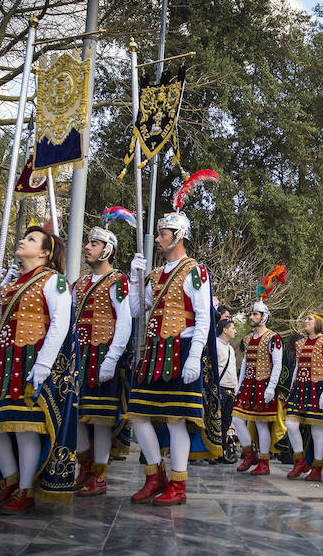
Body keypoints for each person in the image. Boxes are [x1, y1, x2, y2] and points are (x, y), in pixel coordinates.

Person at [0, 227, 77, 513]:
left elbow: (60, 323)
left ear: (45, 252)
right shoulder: (13, 282)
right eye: (24, 237)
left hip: (31, 359)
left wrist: (44, 363)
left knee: (25, 427)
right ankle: (9, 477)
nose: (22, 240)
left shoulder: (53, 280)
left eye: (31, 239)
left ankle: (26, 488)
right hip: (4, 360)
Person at [126, 211, 221, 506]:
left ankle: (178, 483)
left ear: (178, 236)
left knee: (176, 418)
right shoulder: (154, 275)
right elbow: (134, 311)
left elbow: (204, 317)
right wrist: (133, 279)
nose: (157, 239)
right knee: (139, 415)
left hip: (181, 349)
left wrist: (194, 357)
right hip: (154, 351)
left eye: (162, 234)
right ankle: (155, 475)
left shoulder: (195, 271)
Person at [73, 226, 131, 496]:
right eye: (88, 242)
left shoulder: (117, 280)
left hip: (102, 353)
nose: (87, 247)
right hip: (79, 355)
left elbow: (125, 321)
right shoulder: (80, 282)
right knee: (77, 414)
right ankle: (83, 466)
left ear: (107, 250)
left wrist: (112, 357)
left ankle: (99, 473)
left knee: (101, 418)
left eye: (94, 243)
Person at [285, 310, 323, 481]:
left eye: (309, 319)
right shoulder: (300, 343)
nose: (305, 321)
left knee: (316, 428)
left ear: (318, 323)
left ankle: (317, 466)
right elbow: (297, 369)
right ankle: (300, 461)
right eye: (306, 318)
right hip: (300, 386)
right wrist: (292, 387)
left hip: (318, 387)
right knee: (290, 423)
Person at [232, 301, 283, 475]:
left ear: (264, 317)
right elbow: (245, 362)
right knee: (237, 419)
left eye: (255, 314)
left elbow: (277, 364)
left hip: (264, 383)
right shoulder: (247, 338)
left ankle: (264, 461)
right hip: (248, 383)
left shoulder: (273, 337)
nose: (251, 317)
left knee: (262, 424)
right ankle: (249, 453)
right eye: (251, 314)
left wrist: (271, 387)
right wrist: (239, 386)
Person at [214, 318, 238, 463]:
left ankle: (221, 451)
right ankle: (212, 452)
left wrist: (235, 389)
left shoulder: (230, 348)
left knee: (225, 422)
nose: (235, 331)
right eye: (233, 328)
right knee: (215, 421)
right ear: (225, 330)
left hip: (230, 389)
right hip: (220, 388)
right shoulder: (215, 345)